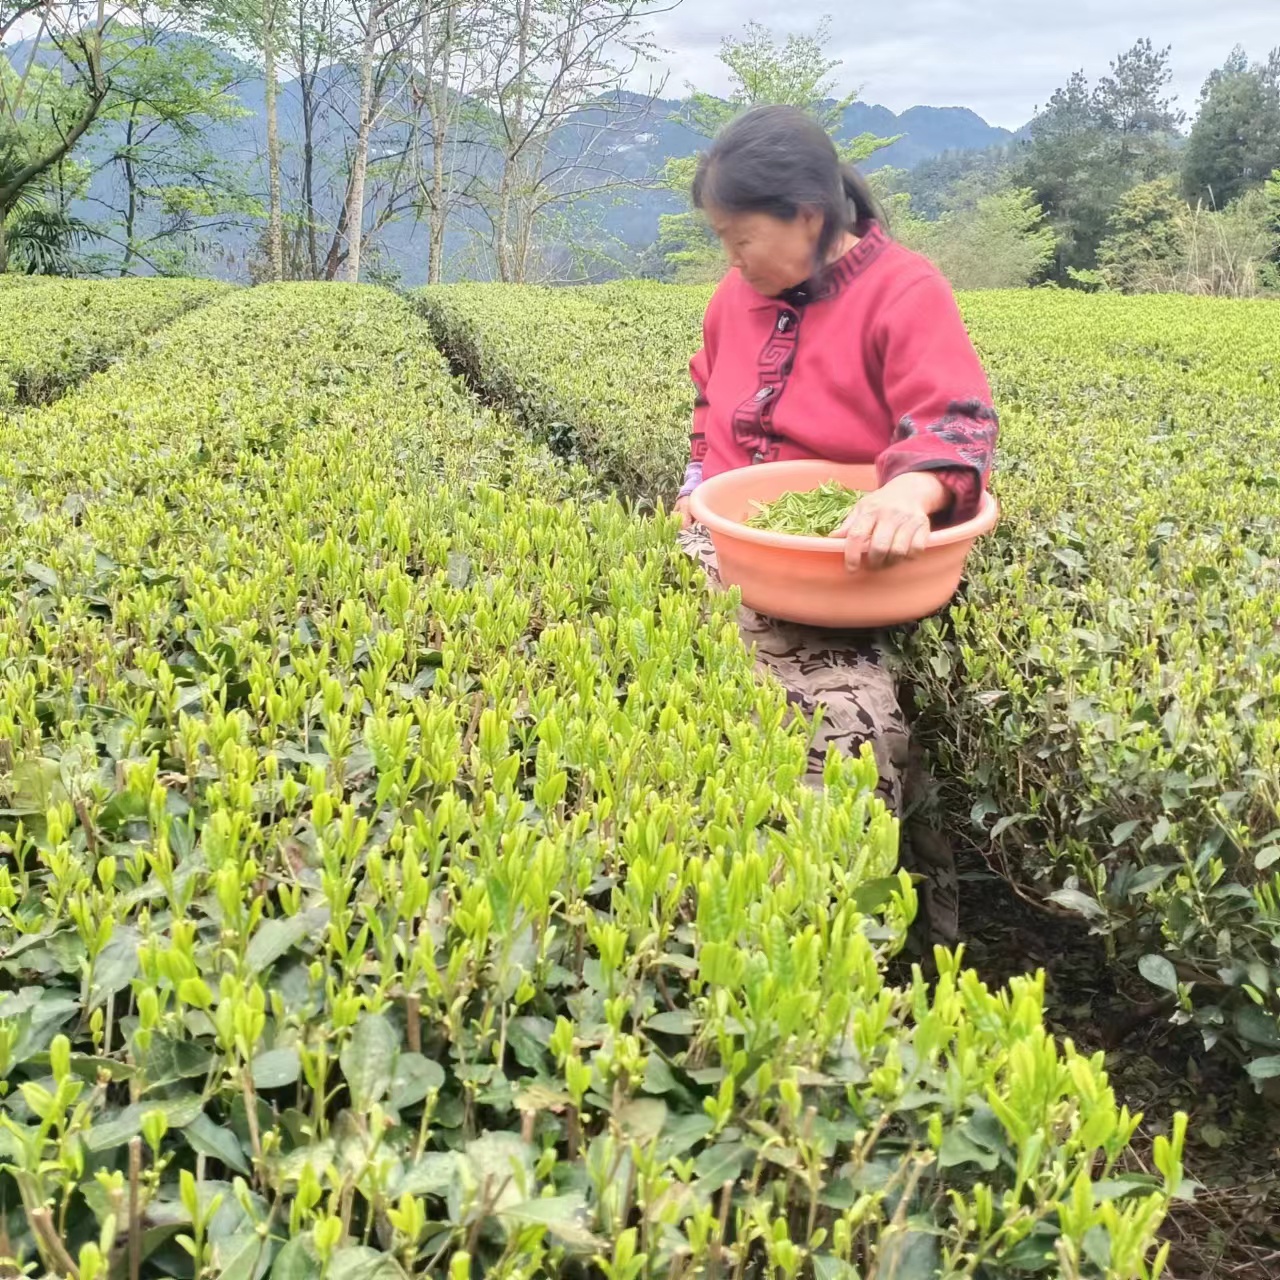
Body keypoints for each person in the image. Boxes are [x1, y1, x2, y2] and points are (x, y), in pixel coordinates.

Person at [674, 105, 998, 946]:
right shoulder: (734, 297)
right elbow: (709, 402)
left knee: (846, 738)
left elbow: (955, 421)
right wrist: (697, 486)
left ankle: (832, 947)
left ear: (808, 217)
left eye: (739, 238)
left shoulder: (904, 290)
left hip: (838, 566)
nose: (730, 260)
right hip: (731, 543)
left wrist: (907, 496)